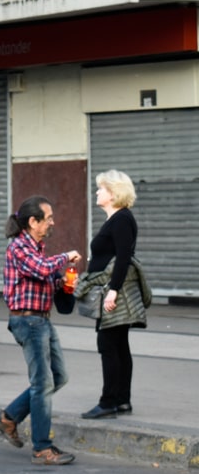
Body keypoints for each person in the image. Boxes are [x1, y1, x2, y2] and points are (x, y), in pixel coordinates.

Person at [0, 195, 82, 466]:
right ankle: (42, 448)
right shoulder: (19, 247)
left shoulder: (38, 248)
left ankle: (8, 417)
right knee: (42, 384)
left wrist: (65, 283)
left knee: (58, 376)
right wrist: (65, 256)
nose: (53, 222)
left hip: (41, 320)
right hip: (28, 322)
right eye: (49, 218)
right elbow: (41, 269)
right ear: (33, 221)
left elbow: (46, 278)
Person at [79, 170, 149, 420]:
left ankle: (108, 402)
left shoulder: (121, 220)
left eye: (101, 189)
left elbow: (123, 258)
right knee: (119, 345)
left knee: (108, 344)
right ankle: (122, 400)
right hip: (111, 291)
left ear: (113, 193)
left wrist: (113, 292)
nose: (97, 192)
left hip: (112, 293)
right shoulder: (118, 218)